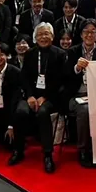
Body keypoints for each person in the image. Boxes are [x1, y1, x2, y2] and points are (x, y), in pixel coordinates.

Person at [20, 23, 66, 172]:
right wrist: (30, 96)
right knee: (20, 111)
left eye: (46, 34)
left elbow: (60, 80)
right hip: (32, 95)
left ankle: (47, 154)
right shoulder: (30, 53)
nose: (43, 37)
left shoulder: (60, 54)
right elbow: (24, 77)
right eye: (40, 34)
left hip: (52, 97)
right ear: (35, 37)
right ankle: (18, 150)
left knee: (43, 112)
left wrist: (45, 97)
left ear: (52, 36)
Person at [65, 20, 96, 167]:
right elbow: (65, 77)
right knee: (85, 110)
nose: (89, 35)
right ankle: (83, 149)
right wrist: (77, 68)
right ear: (81, 34)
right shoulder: (72, 51)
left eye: (93, 32)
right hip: (76, 96)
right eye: (86, 31)